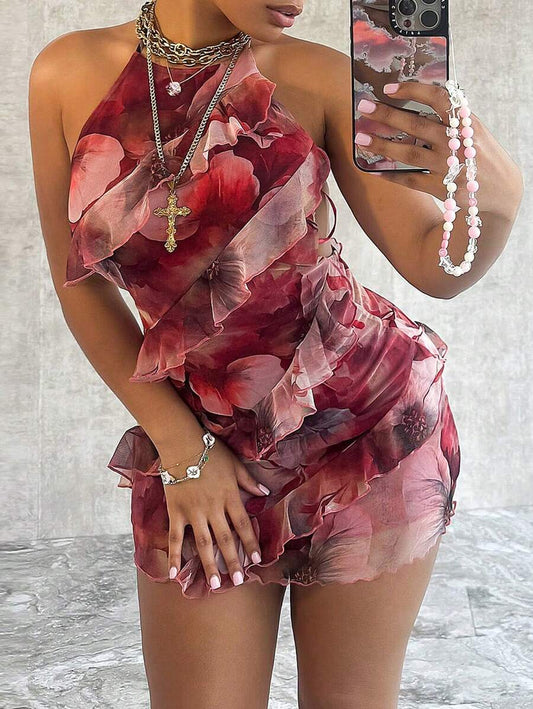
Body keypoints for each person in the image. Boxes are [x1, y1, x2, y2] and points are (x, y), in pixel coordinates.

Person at [28, 0, 523, 707]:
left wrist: (496, 205)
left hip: (369, 435)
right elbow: (78, 288)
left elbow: (433, 267)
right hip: (203, 441)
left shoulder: (320, 79)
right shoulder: (64, 73)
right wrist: (184, 449)